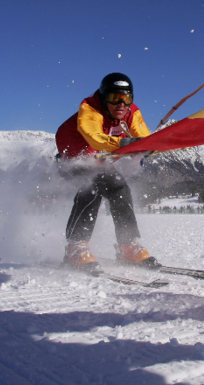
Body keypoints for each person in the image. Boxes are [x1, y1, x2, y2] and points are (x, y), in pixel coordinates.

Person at [55, 72, 154, 271]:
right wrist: (127, 144)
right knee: (91, 186)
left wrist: (148, 146)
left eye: (127, 98)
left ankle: (127, 244)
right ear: (103, 97)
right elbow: (95, 139)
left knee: (120, 189)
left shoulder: (131, 112)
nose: (121, 104)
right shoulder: (90, 108)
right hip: (72, 161)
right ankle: (75, 246)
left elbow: (144, 137)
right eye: (114, 98)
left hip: (99, 161)